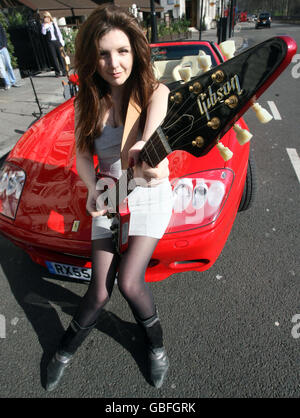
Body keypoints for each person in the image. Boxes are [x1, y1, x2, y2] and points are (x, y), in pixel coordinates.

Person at [45, 5, 173, 391]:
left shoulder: (151, 91)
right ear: (91, 57)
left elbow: (162, 102)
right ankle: (64, 350)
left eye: (122, 51)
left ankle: (157, 349)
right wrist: (93, 189)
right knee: (99, 290)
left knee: (130, 283)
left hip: (148, 191)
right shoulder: (88, 99)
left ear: (135, 51)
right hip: (109, 193)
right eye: (103, 53)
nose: (114, 63)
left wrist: (146, 145)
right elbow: (84, 155)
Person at [41, 11, 67, 77]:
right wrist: (45, 26)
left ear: (50, 17)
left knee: (60, 57)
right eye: (45, 17)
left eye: (47, 17)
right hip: (50, 43)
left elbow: (58, 33)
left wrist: (61, 41)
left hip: (57, 41)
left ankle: (64, 71)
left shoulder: (53, 24)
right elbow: (43, 33)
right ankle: (57, 72)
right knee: (53, 57)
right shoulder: (44, 25)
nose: (46, 19)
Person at [0, 23, 22, 90]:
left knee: (8, 65)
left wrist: (4, 44)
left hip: (3, 48)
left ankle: (13, 81)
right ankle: (7, 83)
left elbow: (3, 34)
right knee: (1, 68)